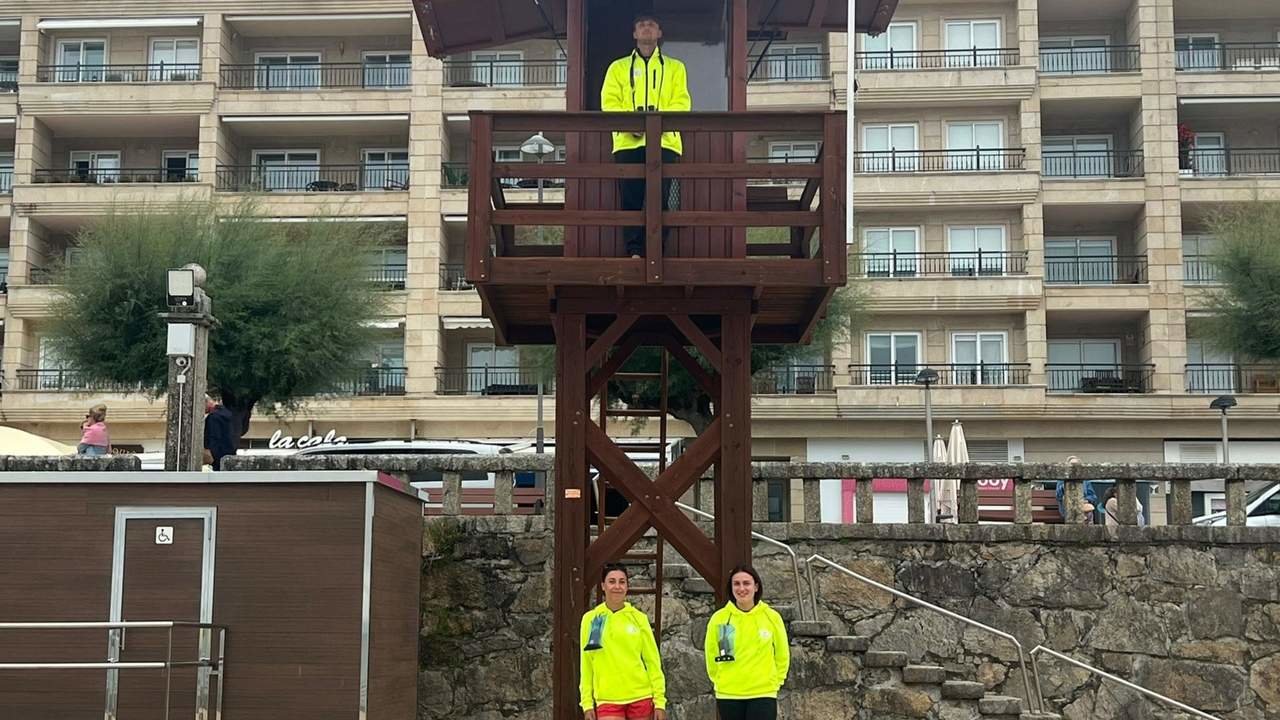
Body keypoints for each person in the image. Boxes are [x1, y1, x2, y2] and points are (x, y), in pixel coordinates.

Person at [601, 13, 692, 258]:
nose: (646, 29)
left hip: (665, 142)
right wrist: (630, 124)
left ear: (659, 33)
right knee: (631, 199)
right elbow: (609, 103)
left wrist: (656, 124)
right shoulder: (618, 68)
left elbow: (681, 103)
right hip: (627, 143)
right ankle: (634, 251)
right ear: (634, 34)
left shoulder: (675, 67)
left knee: (660, 199)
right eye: (641, 25)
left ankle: (657, 250)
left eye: (651, 25)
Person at [580, 564, 667, 720]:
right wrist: (586, 703)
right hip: (607, 699)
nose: (617, 586)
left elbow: (652, 661)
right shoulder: (591, 619)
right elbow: (586, 663)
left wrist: (659, 701)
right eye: (612, 581)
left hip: (641, 696)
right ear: (603, 586)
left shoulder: (639, 618)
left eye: (622, 582)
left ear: (627, 586)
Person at [704, 565, 790, 720]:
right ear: (731, 588)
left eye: (746, 583)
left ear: (756, 587)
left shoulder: (772, 617)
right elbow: (711, 653)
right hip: (729, 694)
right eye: (736, 584)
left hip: (763, 693)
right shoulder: (719, 619)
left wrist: (776, 682)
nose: (741, 588)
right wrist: (720, 680)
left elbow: (782, 654)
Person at [1055, 455, 1099, 524]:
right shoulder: (1062, 479)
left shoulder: (1085, 480)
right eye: (1071, 466)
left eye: (1076, 466)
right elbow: (1058, 496)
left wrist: (1087, 500)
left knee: (1088, 512)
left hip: (1084, 506)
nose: (1074, 468)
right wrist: (1064, 486)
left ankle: (1089, 530)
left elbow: (1093, 496)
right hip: (1068, 507)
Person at [203, 395, 236, 471]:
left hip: (218, 457)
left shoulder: (213, 417)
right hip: (229, 453)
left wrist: (212, 455)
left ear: (206, 402)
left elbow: (214, 437)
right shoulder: (227, 413)